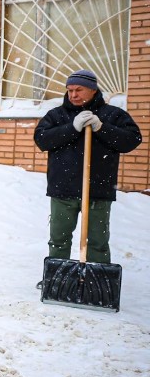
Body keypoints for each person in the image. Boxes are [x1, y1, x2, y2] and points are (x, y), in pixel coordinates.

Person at [33, 69, 142, 273]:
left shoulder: (113, 115)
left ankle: (96, 280)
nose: (73, 95)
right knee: (59, 239)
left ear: (92, 90)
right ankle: (56, 278)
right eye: (70, 90)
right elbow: (42, 140)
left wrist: (102, 127)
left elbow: (131, 140)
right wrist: (71, 128)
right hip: (63, 190)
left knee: (98, 242)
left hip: (98, 191)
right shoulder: (56, 115)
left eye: (78, 90)